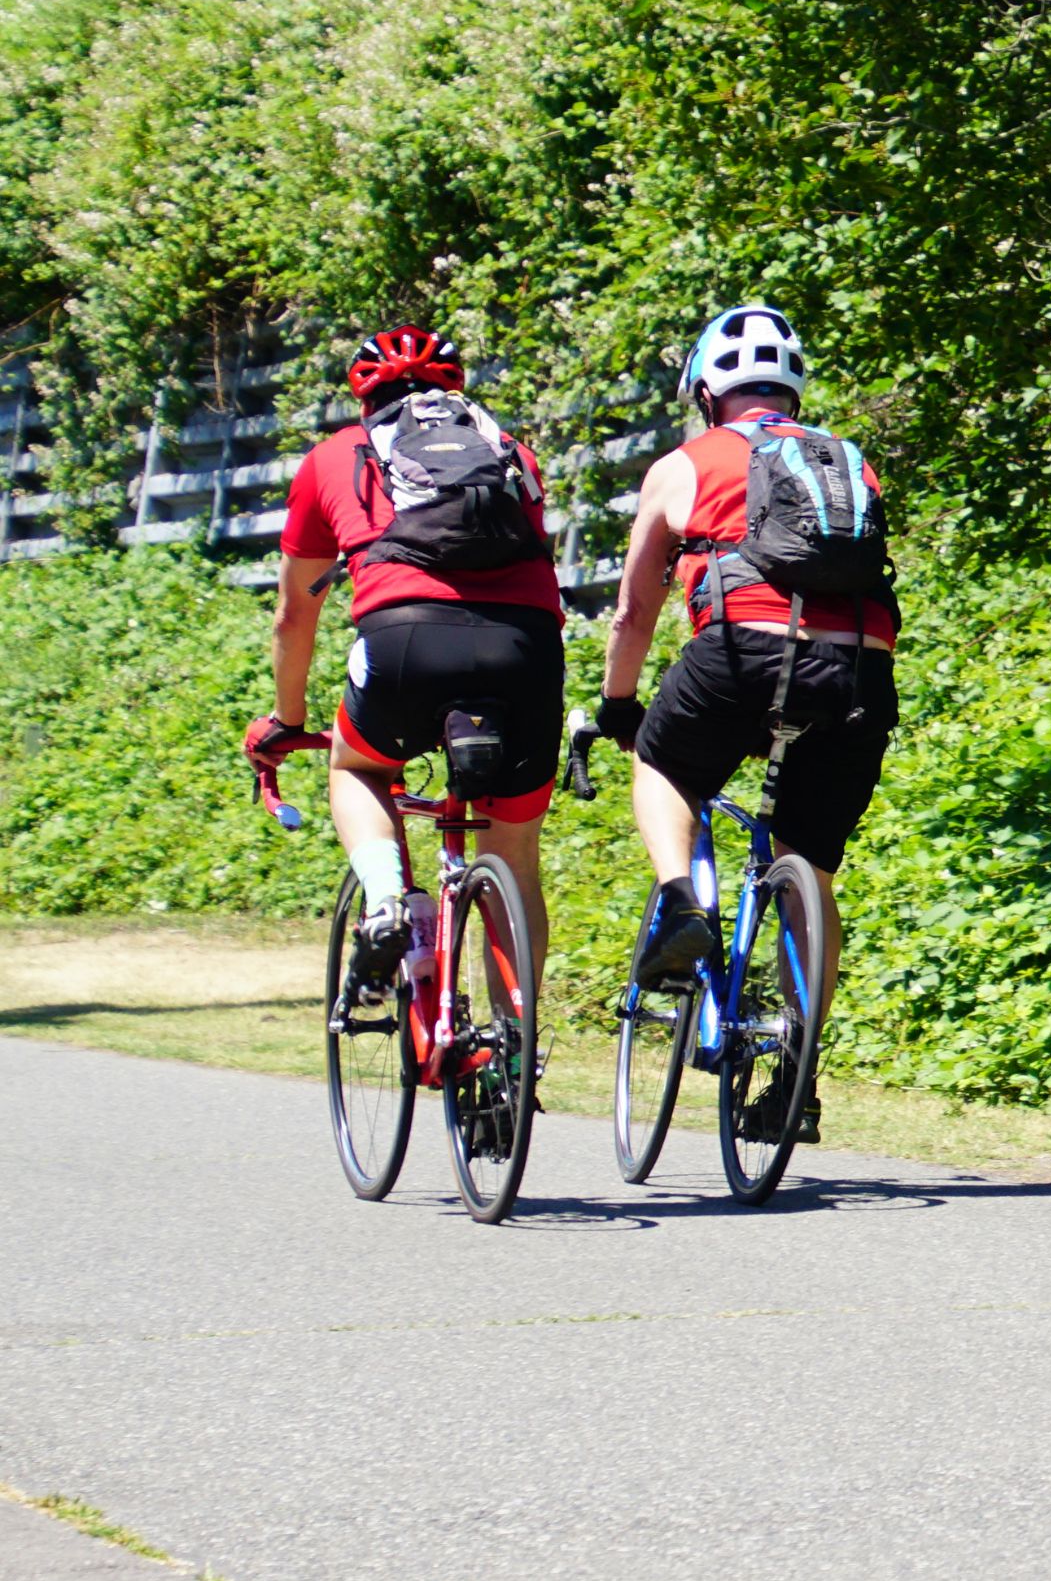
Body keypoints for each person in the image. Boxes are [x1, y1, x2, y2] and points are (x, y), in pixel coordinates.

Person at [592, 302, 897, 1144]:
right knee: (809, 868)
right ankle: (799, 1071)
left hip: (741, 653)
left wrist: (620, 706)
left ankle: (685, 905)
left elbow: (634, 610)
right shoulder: (848, 462)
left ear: (703, 390)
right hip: (859, 672)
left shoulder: (684, 464)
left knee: (662, 764)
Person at [247, 327, 567, 989]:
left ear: (365, 398)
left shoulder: (337, 456)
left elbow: (293, 613)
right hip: (526, 648)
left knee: (357, 766)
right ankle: (514, 1062)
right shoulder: (512, 454)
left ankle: (391, 903)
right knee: (513, 861)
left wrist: (286, 717)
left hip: (404, 640)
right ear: (454, 391)